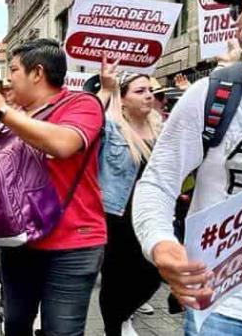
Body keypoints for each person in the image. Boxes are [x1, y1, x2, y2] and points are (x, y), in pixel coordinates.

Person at [133, 0, 242, 335]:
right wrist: (161, 244)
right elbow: (157, 182)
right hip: (227, 309)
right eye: (240, 6)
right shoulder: (210, 96)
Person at [0, 39, 106, 336]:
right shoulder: (17, 117)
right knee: (16, 325)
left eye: (14, 70)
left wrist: (4, 112)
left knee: (61, 331)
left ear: (37, 73)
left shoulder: (82, 104)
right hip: (21, 241)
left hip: (72, 243)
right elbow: (4, 173)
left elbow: (62, 144)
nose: (9, 79)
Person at [96, 57, 162, 336]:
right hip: (118, 217)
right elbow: (88, 121)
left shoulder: (161, 127)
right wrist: (106, 89)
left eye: (150, 91)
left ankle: (122, 315)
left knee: (154, 274)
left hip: (152, 213)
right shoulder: (112, 128)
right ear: (122, 100)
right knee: (115, 278)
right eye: (140, 91)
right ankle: (115, 326)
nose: (148, 96)